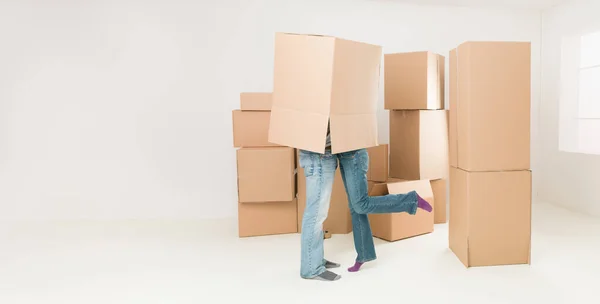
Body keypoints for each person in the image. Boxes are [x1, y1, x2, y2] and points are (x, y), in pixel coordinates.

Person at [299, 124, 432, 281]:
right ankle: (361, 255)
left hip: (351, 154)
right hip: (337, 154)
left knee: (360, 205)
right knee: (353, 208)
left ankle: (411, 200)